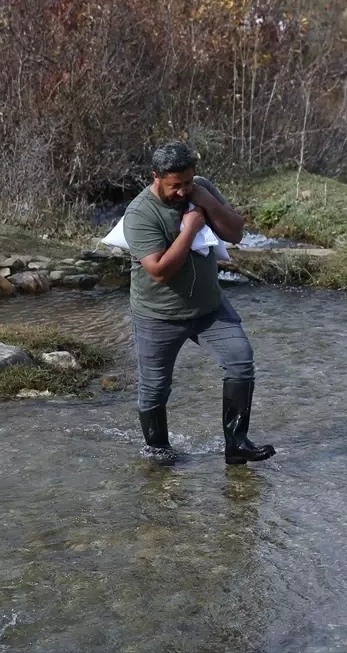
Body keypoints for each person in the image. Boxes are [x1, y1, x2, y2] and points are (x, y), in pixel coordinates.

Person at [121, 141, 276, 465]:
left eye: (188, 183)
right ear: (156, 177)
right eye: (175, 186)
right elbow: (160, 271)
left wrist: (206, 201)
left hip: (209, 309)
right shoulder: (139, 214)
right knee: (154, 389)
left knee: (240, 361)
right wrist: (190, 228)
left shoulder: (201, 189)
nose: (183, 191)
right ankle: (159, 452)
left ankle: (236, 444)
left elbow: (235, 233)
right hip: (158, 315)